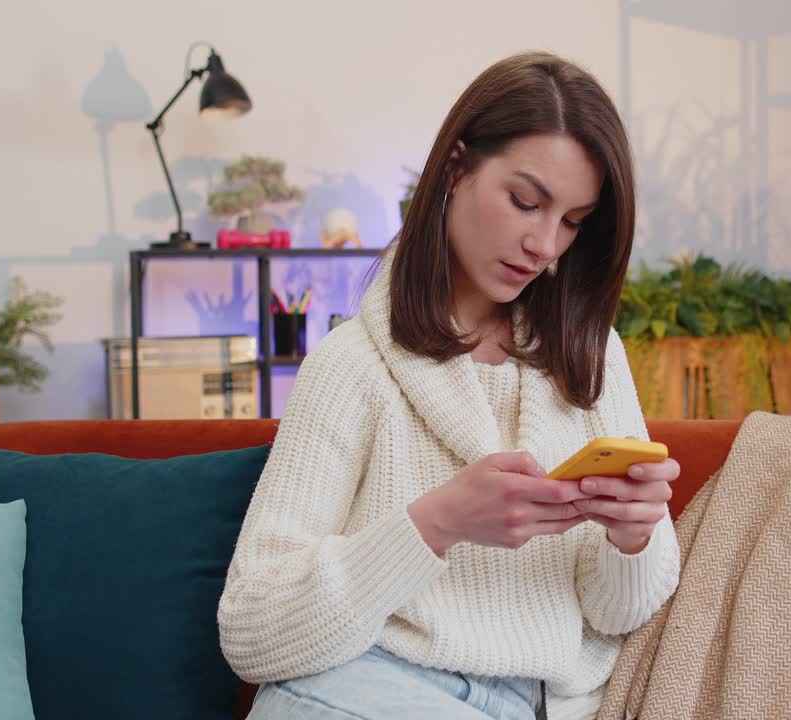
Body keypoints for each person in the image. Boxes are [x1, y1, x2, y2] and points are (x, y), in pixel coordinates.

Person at [219, 51, 681, 720]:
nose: (545, 244)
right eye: (525, 201)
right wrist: (437, 524)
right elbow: (252, 630)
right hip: (360, 688)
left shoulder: (590, 359)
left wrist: (633, 538)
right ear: (457, 168)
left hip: (529, 701)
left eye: (573, 220)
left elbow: (617, 613)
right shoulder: (352, 365)